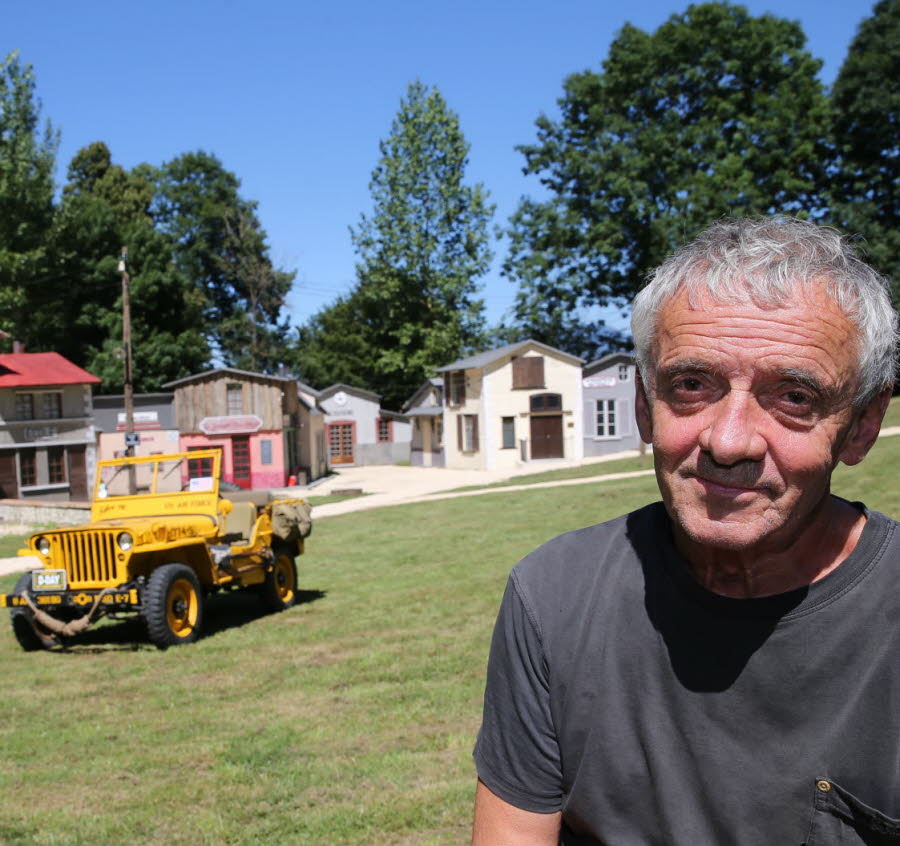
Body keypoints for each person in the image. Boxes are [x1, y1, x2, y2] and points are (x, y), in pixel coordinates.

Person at [471, 217, 900, 845]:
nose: (728, 442)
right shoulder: (553, 597)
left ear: (862, 426)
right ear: (645, 407)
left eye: (795, 398)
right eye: (692, 385)